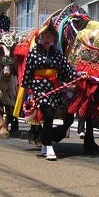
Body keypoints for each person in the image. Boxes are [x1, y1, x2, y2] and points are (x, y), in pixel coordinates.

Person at [21, 24, 77, 160]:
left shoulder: (57, 54)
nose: (47, 38)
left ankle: (45, 144)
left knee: (55, 115)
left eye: (50, 36)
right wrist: (29, 90)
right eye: (45, 35)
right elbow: (27, 72)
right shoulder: (33, 53)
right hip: (39, 87)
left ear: (53, 39)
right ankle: (49, 145)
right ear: (40, 37)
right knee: (48, 113)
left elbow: (66, 70)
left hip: (54, 88)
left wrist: (78, 76)